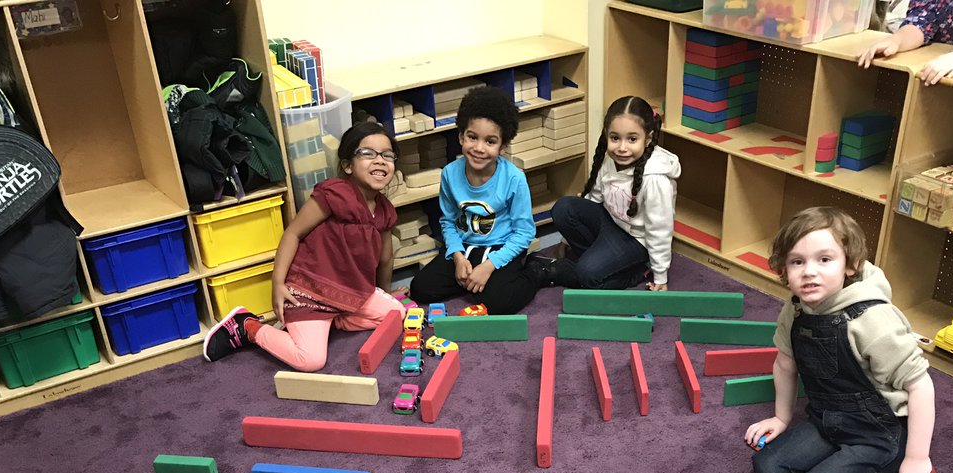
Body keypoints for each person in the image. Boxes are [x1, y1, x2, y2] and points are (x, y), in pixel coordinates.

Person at [744, 207, 935, 473]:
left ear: (851, 264)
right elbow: (786, 363)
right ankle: (841, 462)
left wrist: (917, 459)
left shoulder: (872, 319)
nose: (808, 272)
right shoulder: (796, 310)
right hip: (827, 420)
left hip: (880, 433)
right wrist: (781, 417)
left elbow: (920, 385)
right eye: (797, 261)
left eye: (824, 259)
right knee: (768, 470)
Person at [201, 121, 403, 369]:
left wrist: (385, 292)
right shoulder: (335, 193)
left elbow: (385, 259)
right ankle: (247, 327)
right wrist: (278, 283)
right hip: (310, 290)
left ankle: (335, 319)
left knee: (397, 314)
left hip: (351, 291)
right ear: (347, 165)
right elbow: (293, 234)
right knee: (311, 360)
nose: (380, 160)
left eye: (387, 155)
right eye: (368, 154)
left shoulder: (385, 211)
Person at [528, 96, 680, 292]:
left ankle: (634, 273)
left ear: (648, 139)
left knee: (586, 274)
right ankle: (598, 260)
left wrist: (660, 275)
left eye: (632, 139)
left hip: (636, 239)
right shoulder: (610, 159)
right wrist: (567, 239)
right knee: (563, 208)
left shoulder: (656, 179)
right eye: (615, 138)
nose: (622, 148)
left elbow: (660, 230)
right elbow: (595, 198)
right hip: (612, 222)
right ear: (607, 134)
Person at [409, 85, 538, 314]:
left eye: (490, 141)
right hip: (466, 246)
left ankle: (538, 270)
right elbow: (448, 222)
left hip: (502, 246)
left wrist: (489, 267)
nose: (479, 148)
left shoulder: (514, 178)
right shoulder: (449, 173)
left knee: (499, 303)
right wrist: (458, 258)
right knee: (420, 289)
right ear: (460, 136)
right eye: (472, 137)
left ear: (503, 147)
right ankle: (473, 279)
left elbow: (524, 233)